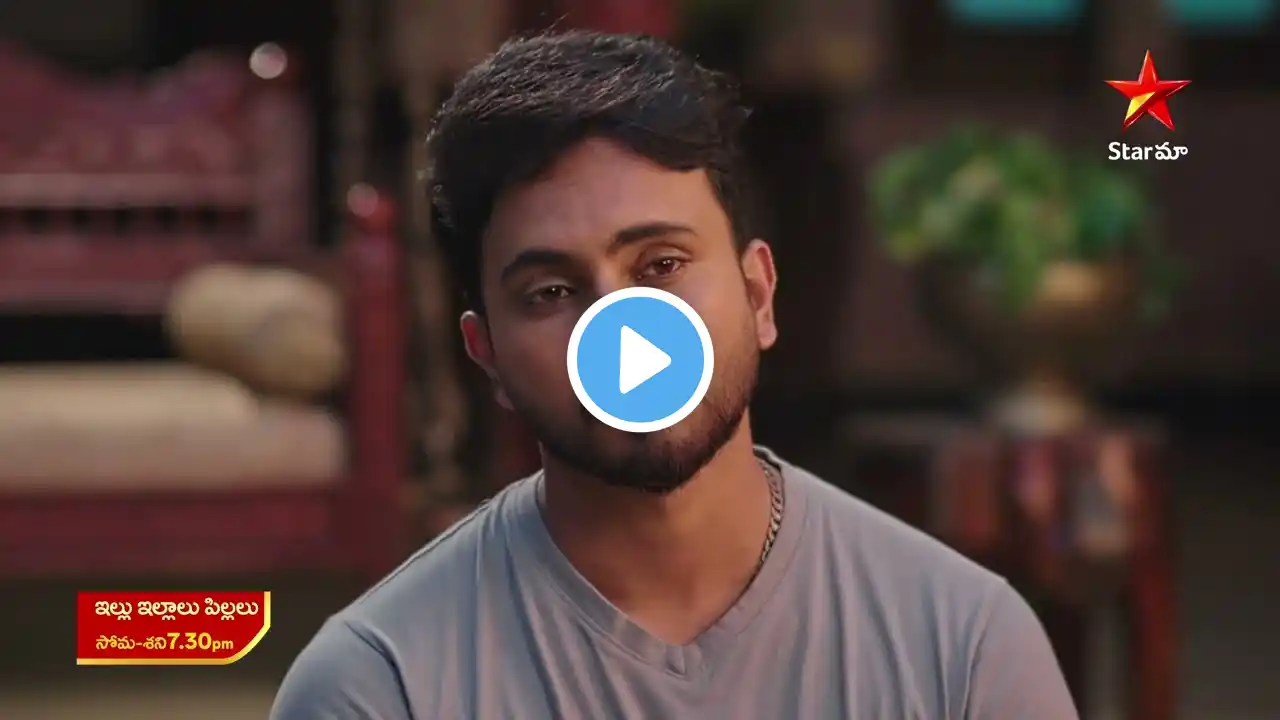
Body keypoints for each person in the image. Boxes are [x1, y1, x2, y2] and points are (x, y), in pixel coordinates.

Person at [271, 31, 1078, 719]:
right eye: (551, 292)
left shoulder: (962, 645)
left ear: (758, 295)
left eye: (661, 265)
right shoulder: (380, 685)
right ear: (489, 358)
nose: (621, 333)